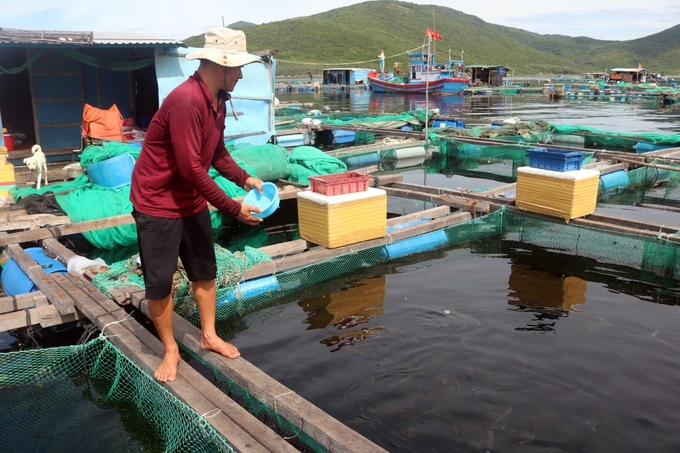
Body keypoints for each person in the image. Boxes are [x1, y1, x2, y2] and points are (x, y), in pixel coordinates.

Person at [130, 27, 265, 382]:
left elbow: (216, 152)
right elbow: (191, 167)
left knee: (205, 271)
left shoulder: (217, 100)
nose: (240, 74)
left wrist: (246, 179)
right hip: (157, 202)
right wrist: (233, 207)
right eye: (236, 68)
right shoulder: (187, 100)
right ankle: (171, 350)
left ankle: (208, 335)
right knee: (160, 283)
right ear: (219, 65)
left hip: (190, 200)